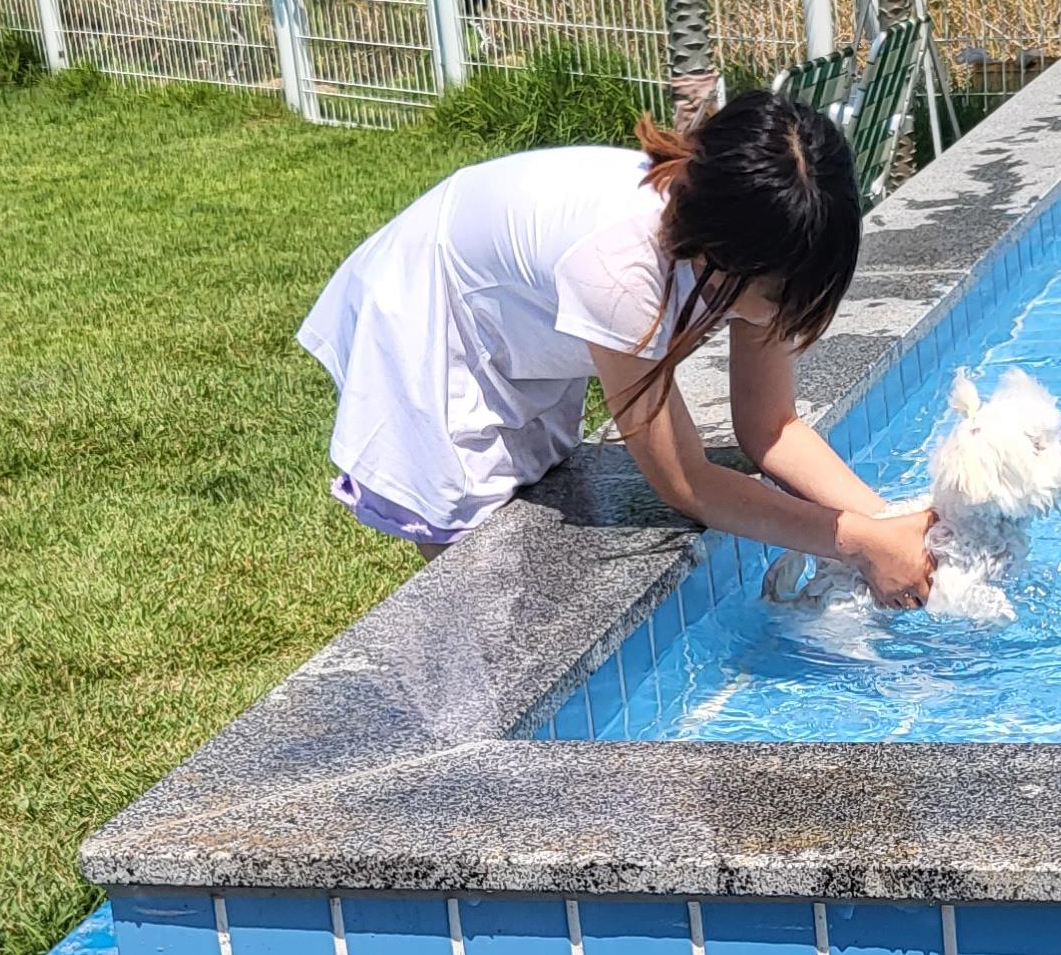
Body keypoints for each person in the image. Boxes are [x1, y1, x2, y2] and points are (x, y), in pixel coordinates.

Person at [298, 95, 935, 606]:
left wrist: (891, 522)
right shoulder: (621, 272)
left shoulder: (751, 234)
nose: (790, 309)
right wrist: (858, 543)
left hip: (516, 313)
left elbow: (771, 427)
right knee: (475, 570)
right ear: (721, 257)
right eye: (780, 294)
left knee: (525, 503)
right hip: (433, 310)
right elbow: (687, 484)